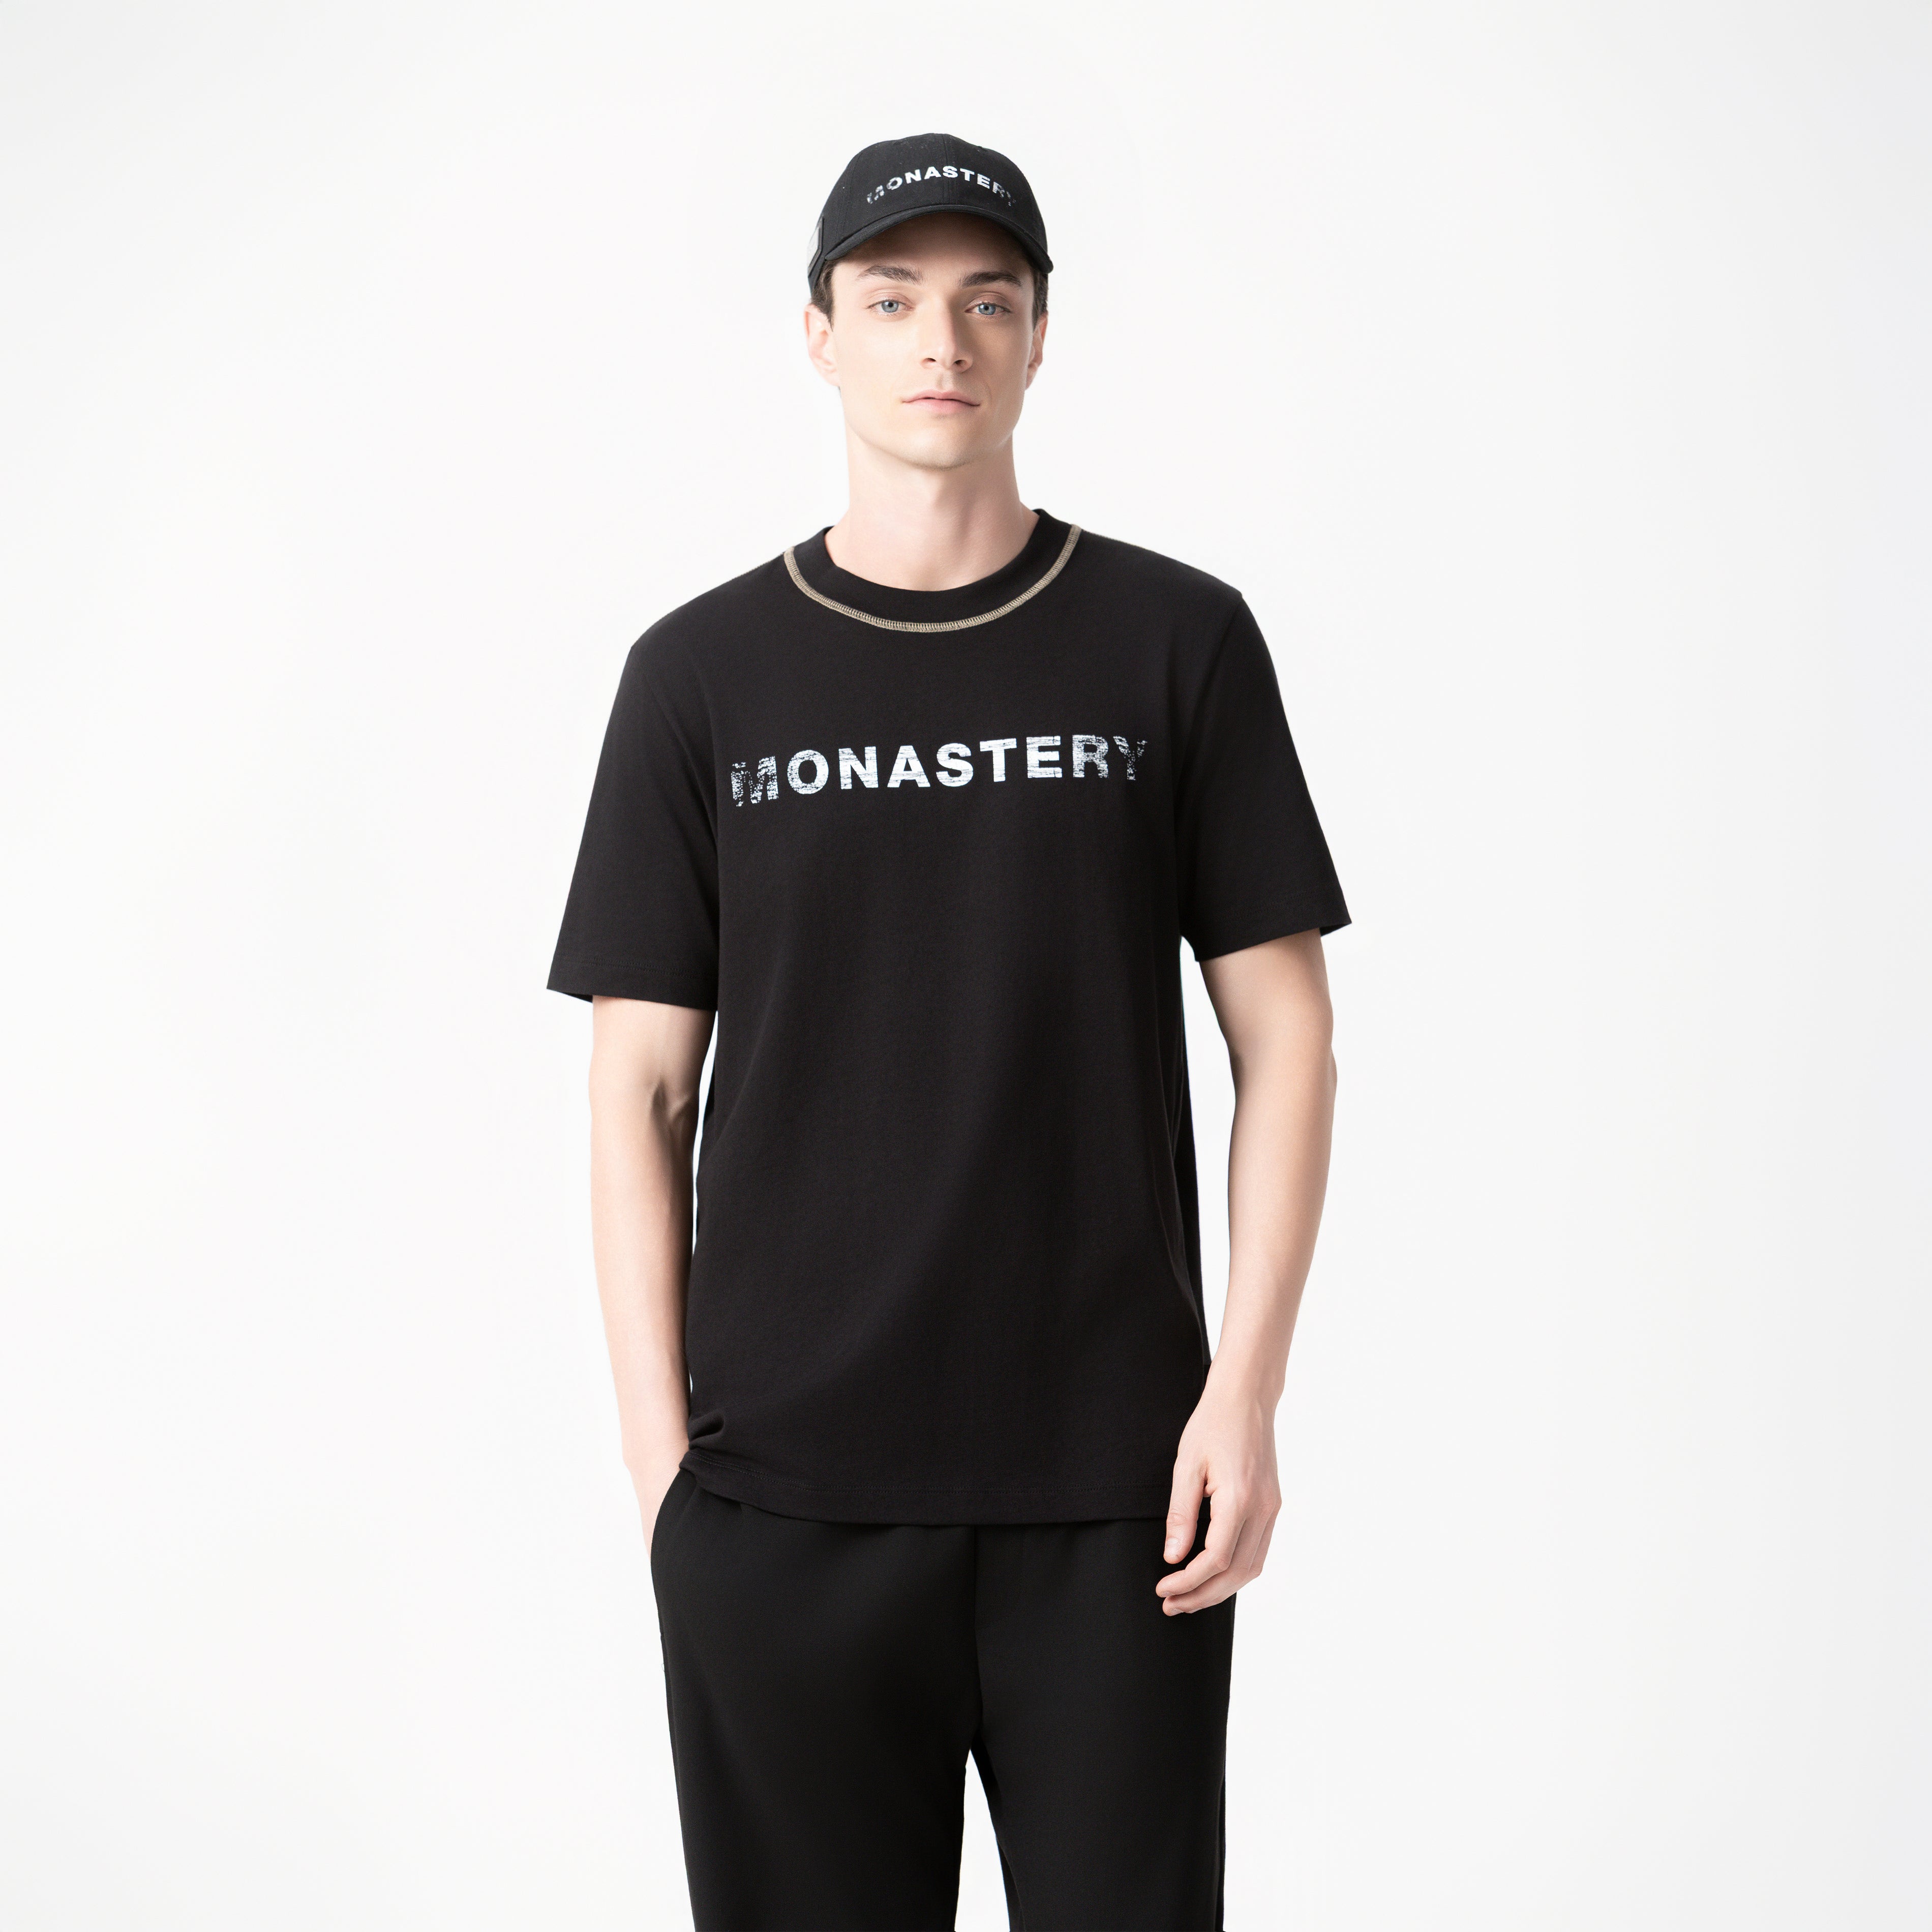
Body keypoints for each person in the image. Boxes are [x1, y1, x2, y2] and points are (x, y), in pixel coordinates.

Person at [548, 132, 1348, 1932]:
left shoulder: (1176, 642)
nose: (942, 341)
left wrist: (1244, 1394)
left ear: (1041, 338)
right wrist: (668, 1484)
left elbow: (1287, 1039)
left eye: (988, 301)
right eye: (893, 297)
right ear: (818, 335)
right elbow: (639, 1086)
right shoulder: (699, 677)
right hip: (783, 1509)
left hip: (1122, 1501)